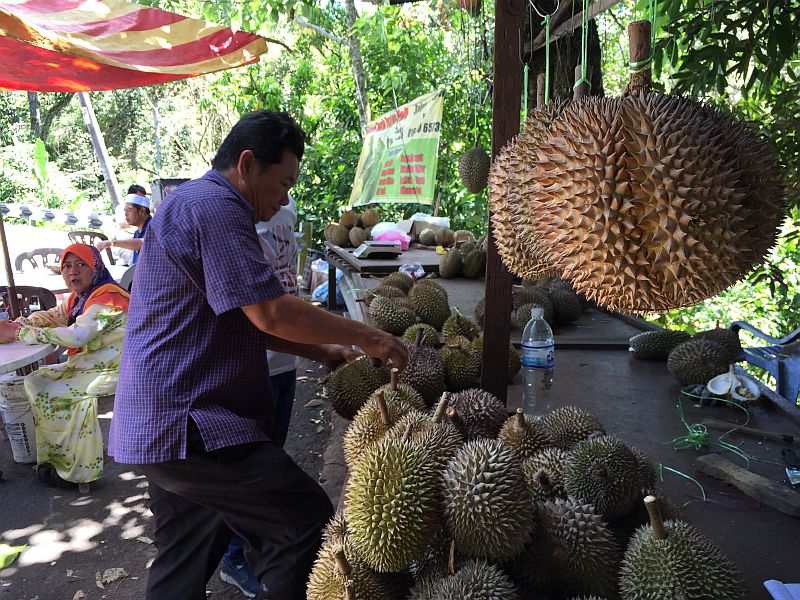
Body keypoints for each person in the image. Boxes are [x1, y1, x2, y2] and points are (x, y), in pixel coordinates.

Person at [108, 110, 407, 600]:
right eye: (283, 182)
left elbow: (239, 316)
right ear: (247, 164)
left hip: (160, 427)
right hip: (192, 424)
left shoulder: (192, 204)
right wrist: (368, 338)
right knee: (303, 524)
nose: (285, 197)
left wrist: (317, 348)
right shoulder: (216, 207)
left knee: (183, 555)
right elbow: (269, 311)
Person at [220, 195, 301, 597]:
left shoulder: (284, 212)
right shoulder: (230, 219)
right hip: (251, 367)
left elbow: (287, 287)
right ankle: (235, 557)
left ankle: (254, 549)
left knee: (272, 459)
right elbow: (261, 313)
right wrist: (360, 336)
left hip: (285, 360)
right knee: (248, 474)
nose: (286, 195)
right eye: (282, 180)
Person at [0, 244, 130, 486]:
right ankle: (59, 457)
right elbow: (53, 316)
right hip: (89, 364)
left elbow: (77, 336)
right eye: (67, 266)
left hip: (116, 367)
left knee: (53, 393)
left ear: (95, 268)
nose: (73, 272)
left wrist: (20, 332)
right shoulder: (80, 297)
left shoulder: (107, 298)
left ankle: (81, 468)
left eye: (81, 265)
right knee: (35, 381)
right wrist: (26, 321)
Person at [97, 185, 152, 264]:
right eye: (125, 210)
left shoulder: (153, 228)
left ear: (142, 211)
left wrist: (112, 243)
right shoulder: (137, 233)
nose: (126, 214)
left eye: (129, 210)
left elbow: (144, 243)